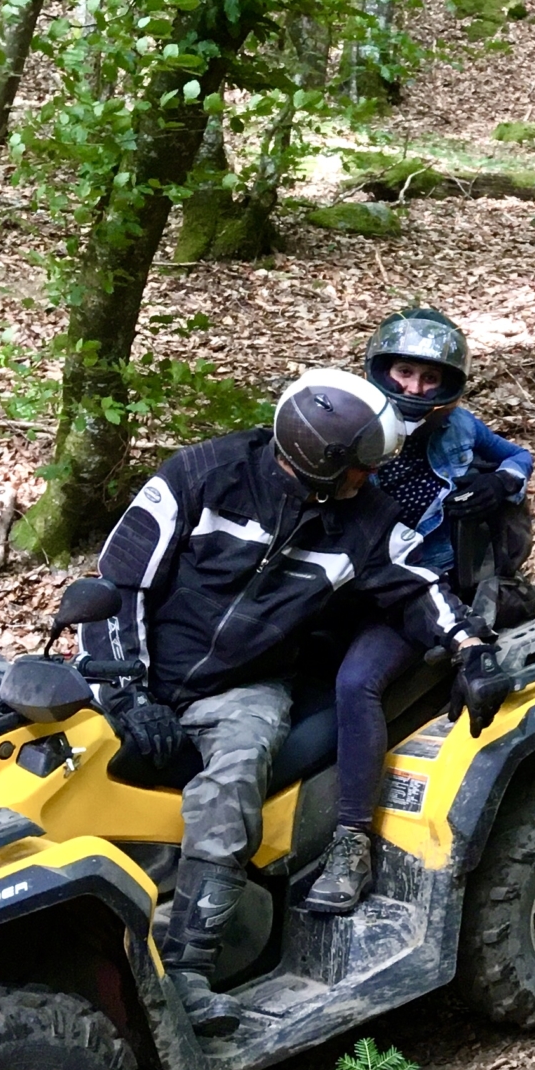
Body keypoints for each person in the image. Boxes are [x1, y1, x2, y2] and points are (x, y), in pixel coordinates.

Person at [86, 371, 495, 1034]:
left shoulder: (362, 520)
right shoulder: (200, 475)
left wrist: (472, 647)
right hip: (145, 669)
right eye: (363, 467)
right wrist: (127, 693)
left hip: (244, 688)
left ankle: (188, 970)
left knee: (234, 778)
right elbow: (118, 583)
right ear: (327, 464)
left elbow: (418, 584)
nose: (372, 478)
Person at [306, 309, 535, 919]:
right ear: (381, 369)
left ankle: (351, 842)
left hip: (416, 591)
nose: (413, 388)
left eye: (429, 378)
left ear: (448, 385)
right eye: (404, 372)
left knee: (357, 683)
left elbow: (519, 456)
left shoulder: (460, 428)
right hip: (333, 579)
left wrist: (502, 485)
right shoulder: (349, 422)